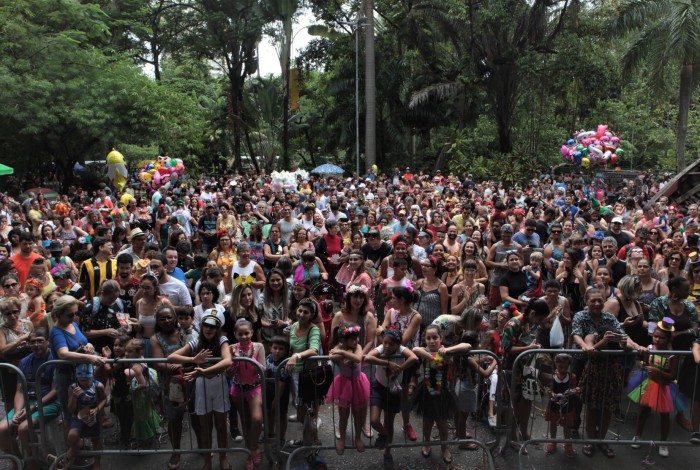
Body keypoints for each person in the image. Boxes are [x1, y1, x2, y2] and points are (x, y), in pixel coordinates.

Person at [572, 289, 645, 458]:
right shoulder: (581, 316)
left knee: (606, 408)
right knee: (581, 401)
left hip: (610, 368)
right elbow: (577, 335)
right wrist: (586, 346)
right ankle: (579, 431)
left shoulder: (609, 318)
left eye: (600, 300)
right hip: (585, 362)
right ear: (586, 301)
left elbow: (624, 338)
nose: (597, 303)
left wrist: (636, 347)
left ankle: (601, 440)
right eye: (593, 300)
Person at [168, 314, 232, 470]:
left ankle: (223, 458)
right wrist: (192, 360)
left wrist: (204, 371)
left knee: (221, 426)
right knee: (205, 427)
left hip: (218, 384)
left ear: (218, 329)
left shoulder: (222, 340)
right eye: (206, 326)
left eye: (213, 327)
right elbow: (171, 357)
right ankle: (207, 461)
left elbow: (227, 360)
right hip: (202, 386)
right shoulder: (196, 342)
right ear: (202, 327)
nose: (209, 329)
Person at [411, 324, 470, 464]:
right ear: (425, 339)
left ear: (440, 338)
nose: (432, 341)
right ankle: (426, 443)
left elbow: (467, 346)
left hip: (442, 391)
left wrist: (448, 350)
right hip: (426, 391)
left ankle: (444, 447)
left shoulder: (445, 352)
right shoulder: (425, 351)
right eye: (428, 338)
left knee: (442, 422)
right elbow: (414, 349)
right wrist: (430, 357)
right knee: (427, 421)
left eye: (435, 337)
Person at [363, 329, 418, 470]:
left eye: (391, 344)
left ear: (398, 344)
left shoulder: (401, 349)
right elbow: (367, 358)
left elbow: (414, 358)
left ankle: (387, 453)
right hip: (378, 387)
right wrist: (387, 363)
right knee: (374, 420)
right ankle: (384, 434)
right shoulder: (381, 348)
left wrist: (400, 368)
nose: (387, 346)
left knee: (389, 422)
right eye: (385, 342)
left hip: (393, 390)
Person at [500, 298, 550, 447]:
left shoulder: (529, 323)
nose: (539, 323)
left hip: (527, 368)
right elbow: (506, 349)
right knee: (514, 402)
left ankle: (524, 431)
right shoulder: (513, 324)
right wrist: (529, 348)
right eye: (539, 319)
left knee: (527, 399)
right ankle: (512, 436)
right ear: (533, 313)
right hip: (512, 368)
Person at [376, 286, 421, 442]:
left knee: (403, 394)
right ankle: (387, 422)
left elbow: (403, 340)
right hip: (390, 358)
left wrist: (383, 333)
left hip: (406, 359)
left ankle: (406, 423)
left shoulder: (415, 316)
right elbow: (381, 331)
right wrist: (383, 333)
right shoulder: (391, 312)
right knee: (388, 391)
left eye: (394, 298)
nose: (391, 300)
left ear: (402, 299)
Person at [629, 318, 678, 457]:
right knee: (643, 410)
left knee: (664, 414)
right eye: (656, 336)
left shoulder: (671, 355)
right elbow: (644, 363)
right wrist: (643, 365)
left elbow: (673, 375)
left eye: (662, 338)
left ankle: (663, 442)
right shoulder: (650, 348)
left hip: (664, 386)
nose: (657, 340)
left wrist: (659, 372)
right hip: (649, 383)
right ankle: (638, 435)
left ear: (668, 339)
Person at [149, 305, 189, 470]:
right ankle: (176, 452)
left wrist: (181, 365)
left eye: (169, 317)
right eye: (162, 318)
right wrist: (176, 366)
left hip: (190, 379)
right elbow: (158, 363)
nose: (166, 321)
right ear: (157, 321)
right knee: (174, 420)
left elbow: (194, 351)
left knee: (197, 415)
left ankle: (204, 447)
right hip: (170, 385)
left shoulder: (184, 333)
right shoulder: (155, 339)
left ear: (175, 317)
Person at [326, 323, 370, 455]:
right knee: (343, 415)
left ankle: (358, 437)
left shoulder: (358, 347)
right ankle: (342, 439)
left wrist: (342, 353)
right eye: (353, 339)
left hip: (358, 383)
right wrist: (343, 352)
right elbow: (331, 356)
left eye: (357, 338)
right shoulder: (339, 347)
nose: (356, 341)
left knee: (358, 414)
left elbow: (358, 358)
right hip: (343, 384)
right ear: (344, 340)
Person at [285, 299, 323, 447]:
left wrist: (297, 356)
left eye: (306, 312)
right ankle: (310, 439)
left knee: (306, 413)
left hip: (308, 376)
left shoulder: (314, 329)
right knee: (302, 414)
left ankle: (311, 441)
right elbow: (292, 347)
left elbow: (314, 349)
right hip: (295, 374)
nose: (301, 314)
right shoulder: (294, 326)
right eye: (300, 311)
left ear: (312, 315)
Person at [229, 319, 265, 470]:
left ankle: (254, 446)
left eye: (246, 333)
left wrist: (250, 358)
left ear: (252, 333)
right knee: (245, 422)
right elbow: (229, 373)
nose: (244, 337)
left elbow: (262, 370)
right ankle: (250, 452)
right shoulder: (231, 348)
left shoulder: (258, 346)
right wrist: (235, 360)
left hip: (254, 388)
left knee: (257, 419)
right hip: (238, 389)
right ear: (235, 334)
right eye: (240, 334)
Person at [61, 364, 107, 470]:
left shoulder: (98, 386)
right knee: (72, 435)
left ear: (92, 374)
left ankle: (97, 464)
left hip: (92, 415)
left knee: (96, 440)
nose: (83, 377)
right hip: (78, 415)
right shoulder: (72, 387)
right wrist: (74, 397)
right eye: (80, 374)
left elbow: (104, 399)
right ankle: (74, 449)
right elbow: (70, 409)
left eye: (87, 374)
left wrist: (97, 409)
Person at [123, 338, 161, 445]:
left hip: (140, 396)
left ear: (139, 352)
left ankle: (145, 438)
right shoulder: (141, 360)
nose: (126, 354)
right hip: (145, 394)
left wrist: (132, 389)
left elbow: (143, 384)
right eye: (126, 351)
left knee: (141, 416)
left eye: (130, 351)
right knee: (147, 412)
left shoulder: (136, 367)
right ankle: (152, 433)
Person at [544, 353, 578, 457]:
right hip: (554, 405)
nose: (563, 369)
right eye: (560, 367)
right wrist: (552, 393)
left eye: (566, 367)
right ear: (555, 364)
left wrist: (574, 390)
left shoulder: (571, 377)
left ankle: (568, 444)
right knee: (553, 424)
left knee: (567, 426)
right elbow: (549, 389)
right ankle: (553, 441)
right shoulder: (552, 376)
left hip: (567, 406)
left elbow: (574, 388)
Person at [264, 336, 291, 444]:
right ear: (270, 348)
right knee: (269, 412)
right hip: (268, 390)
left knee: (281, 415)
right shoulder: (268, 358)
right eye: (275, 348)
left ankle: (281, 438)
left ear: (286, 350)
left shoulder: (285, 363)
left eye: (281, 349)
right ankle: (270, 433)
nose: (277, 351)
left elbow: (282, 384)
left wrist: (276, 400)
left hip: (281, 393)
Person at [414, 255, 448, 336]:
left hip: (432, 326)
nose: (423, 267)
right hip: (416, 324)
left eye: (427, 265)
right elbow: (412, 302)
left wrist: (443, 329)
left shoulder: (442, 287)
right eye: (422, 265)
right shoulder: (419, 282)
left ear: (435, 269)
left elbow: (444, 310)